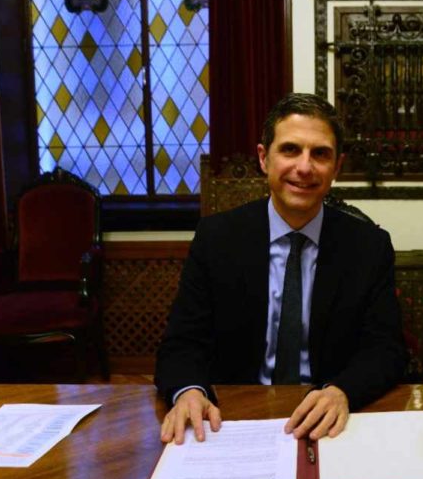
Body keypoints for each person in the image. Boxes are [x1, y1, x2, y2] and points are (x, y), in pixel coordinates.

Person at [155, 93, 407, 445]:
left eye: (320, 154)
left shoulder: (369, 247)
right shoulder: (217, 238)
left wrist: (343, 391)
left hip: (329, 422)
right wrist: (189, 390)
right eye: (290, 150)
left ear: (337, 167)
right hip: (232, 420)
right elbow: (182, 342)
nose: (304, 167)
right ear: (264, 158)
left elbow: (386, 350)